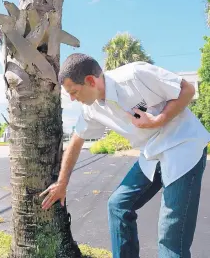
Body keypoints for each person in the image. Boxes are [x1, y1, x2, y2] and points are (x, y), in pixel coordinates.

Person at [40, 53, 210, 258]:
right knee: (118, 206)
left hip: (183, 146)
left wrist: (158, 120)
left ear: (91, 81)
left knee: (171, 237)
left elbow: (187, 89)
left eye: (74, 92)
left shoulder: (134, 75)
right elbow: (76, 141)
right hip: (151, 153)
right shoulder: (91, 109)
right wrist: (62, 183)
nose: (73, 99)